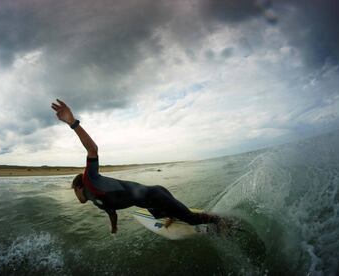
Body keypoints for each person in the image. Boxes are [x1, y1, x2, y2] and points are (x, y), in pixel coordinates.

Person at [51, 99, 222, 234]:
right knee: (156, 213)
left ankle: (222, 222)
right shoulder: (94, 199)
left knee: (191, 219)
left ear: (78, 187)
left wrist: (73, 123)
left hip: (155, 194)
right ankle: (172, 214)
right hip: (149, 203)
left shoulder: (90, 180)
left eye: (73, 191)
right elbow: (111, 212)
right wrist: (114, 228)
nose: (75, 196)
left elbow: (92, 149)